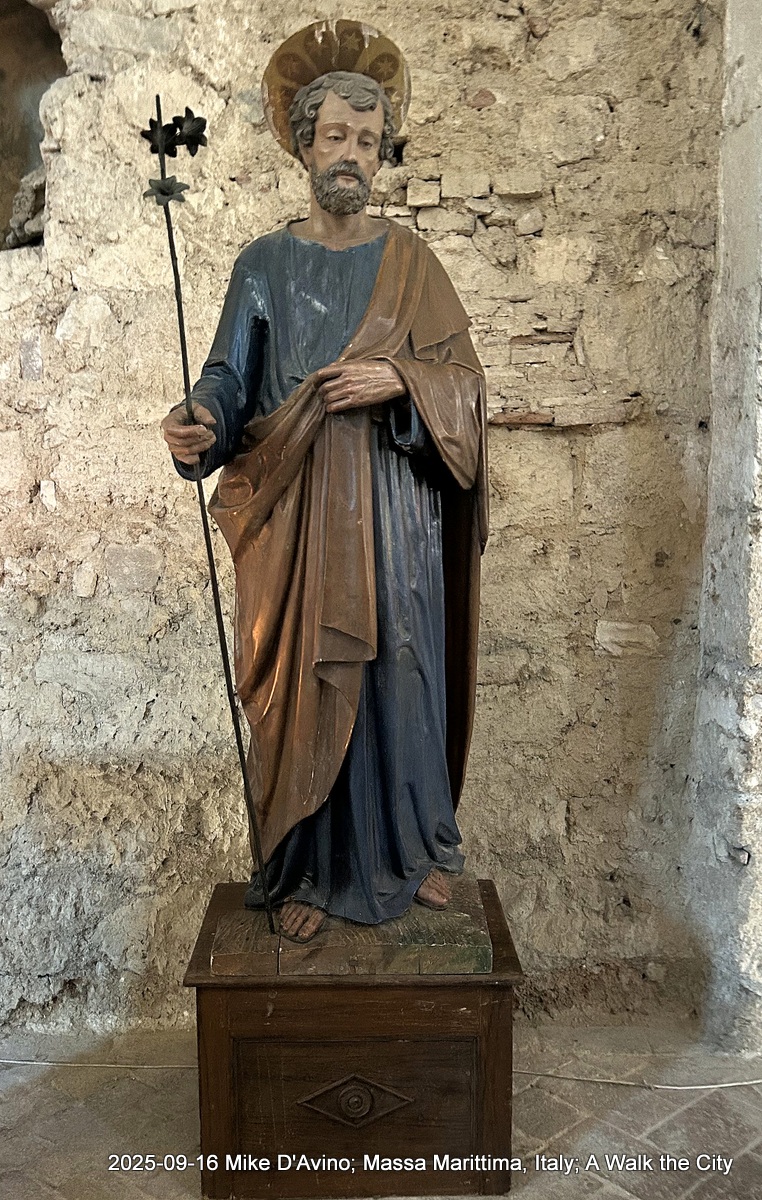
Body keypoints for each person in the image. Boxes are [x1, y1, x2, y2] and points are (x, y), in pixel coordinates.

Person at [162, 21, 488, 943]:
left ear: (382, 154)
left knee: (401, 676)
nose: (351, 154)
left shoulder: (414, 263)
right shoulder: (263, 266)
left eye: (368, 140)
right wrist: (198, 418)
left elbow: (467, 392)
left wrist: (400, 380)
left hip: (396, 512)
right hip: (298, 511)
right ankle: (306, 865)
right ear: (304, 145)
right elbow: (228, 379)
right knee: (307, 683)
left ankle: (408, 854)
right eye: (335, 136)